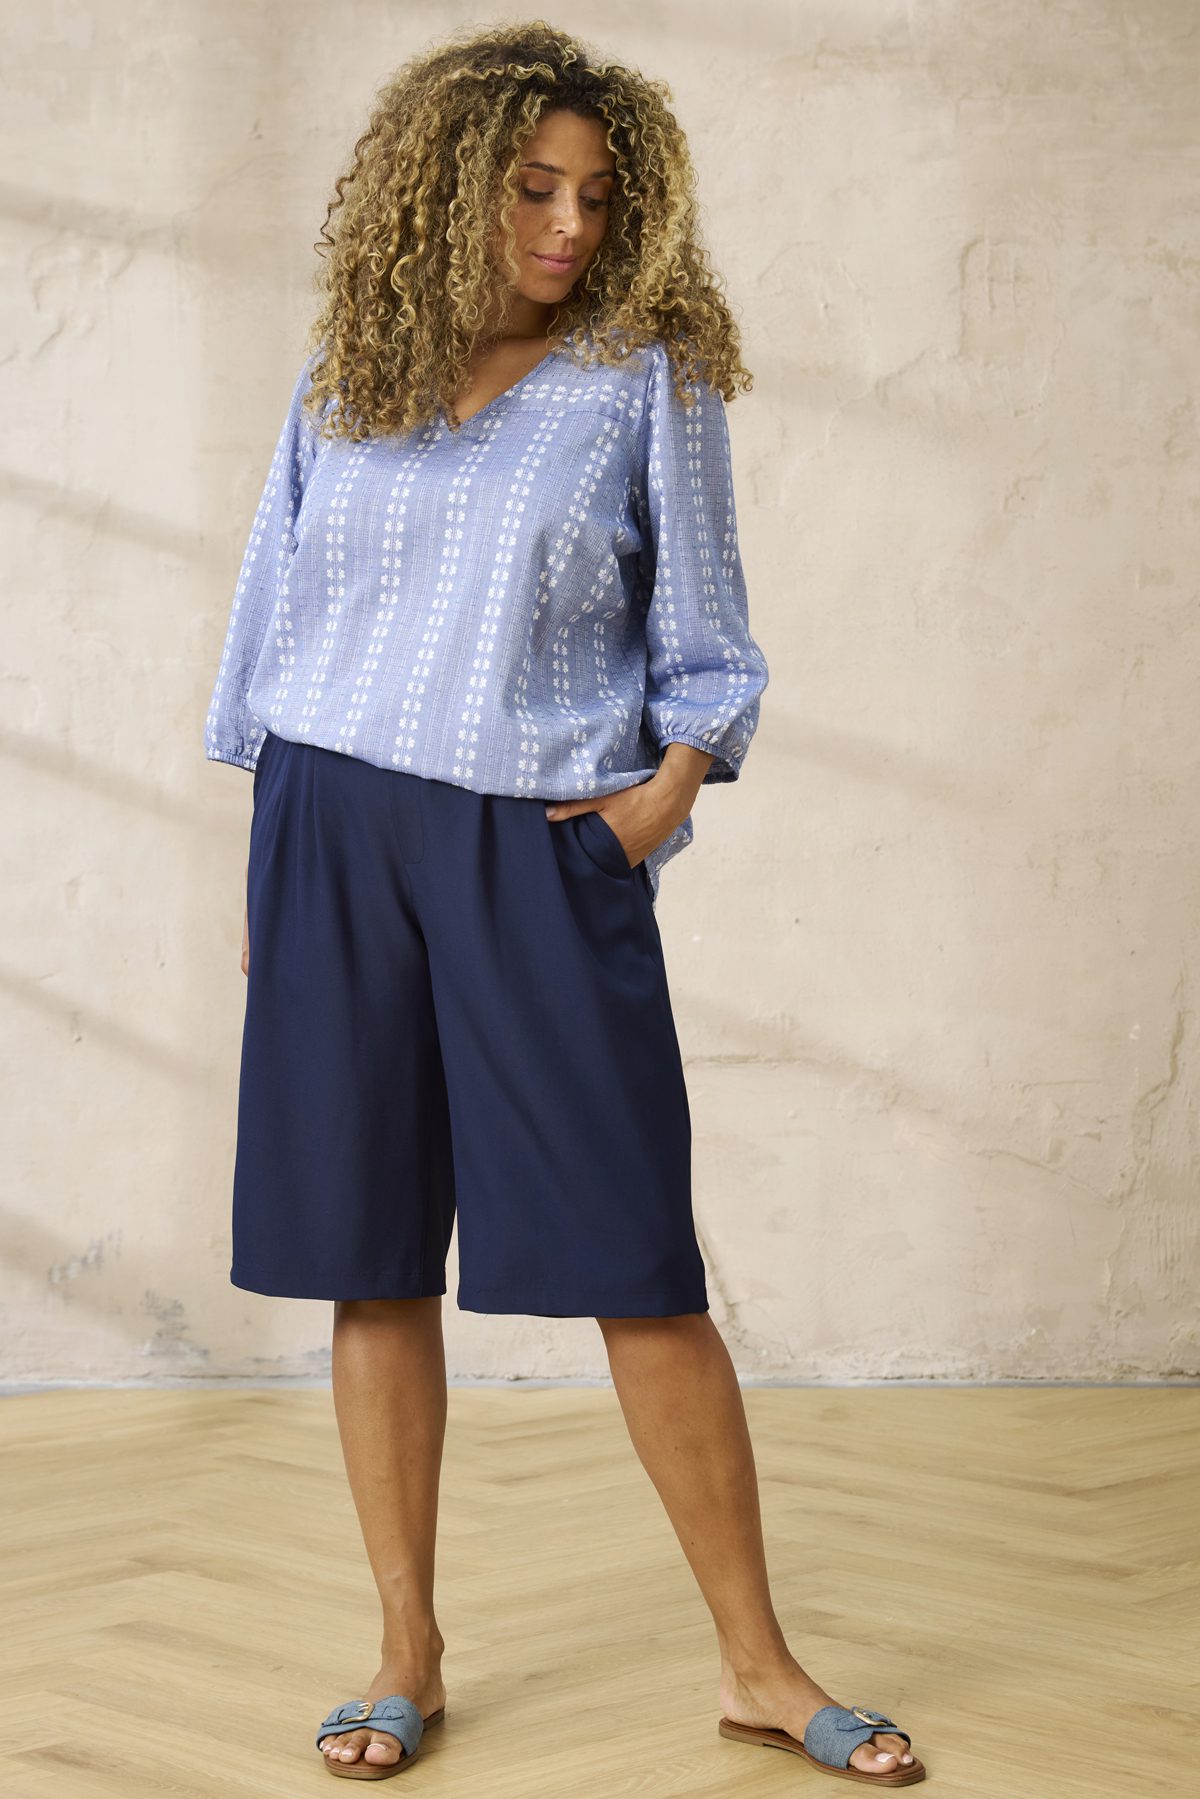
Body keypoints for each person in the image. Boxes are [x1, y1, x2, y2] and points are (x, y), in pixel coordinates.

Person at [204, 20, 923, 1788]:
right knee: (369, 1259)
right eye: (533, 188)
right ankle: (405, 1654)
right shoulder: (345, 376)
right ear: (447, 186)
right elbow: (274, 623)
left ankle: (759, 1664)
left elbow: (710, 640)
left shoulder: (639, 382)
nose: (568, 226)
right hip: (329, 827)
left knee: (635, 1263)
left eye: (598, 196)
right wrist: (270, 863)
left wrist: (656, 802)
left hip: (532, 843)